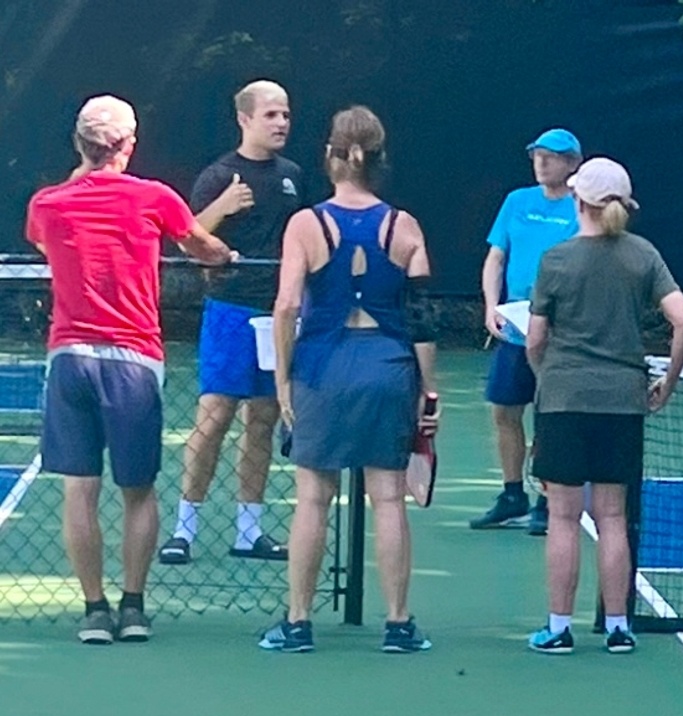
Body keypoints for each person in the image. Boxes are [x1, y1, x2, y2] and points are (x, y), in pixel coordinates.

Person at [24, 95, 232, 644]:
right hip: (134, 361)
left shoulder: (48, 204)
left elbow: (47, 236)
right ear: (130, 146)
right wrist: (226, 258)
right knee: (137, 489)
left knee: (79, 489)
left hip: (70, 358)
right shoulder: (155, 198)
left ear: (78, 145)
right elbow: (202, 248)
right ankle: (132, 608)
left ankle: (95, 611)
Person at [258, 106, 438, 654]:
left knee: (313, 497)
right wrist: (428, 395)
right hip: (388, 368)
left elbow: (287, 305)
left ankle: (297, 622)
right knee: (389, 498)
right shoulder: (404, 226)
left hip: (322, 368)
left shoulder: (305, 224)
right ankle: (399, 624)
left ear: (330, 156)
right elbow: (421, 318)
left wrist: (284, 379)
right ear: (380, 161)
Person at [525, 157, 683, 655]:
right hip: (623, 401)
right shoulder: (643, 255)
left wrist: (548, 379)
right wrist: (669, 381)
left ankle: (558, 628)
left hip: (564, 399)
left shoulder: (556, 260)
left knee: (562, 517)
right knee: (612, 516)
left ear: (579, 201)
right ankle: (619, 627)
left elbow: (535, 339)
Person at [159, 80, 303, 565]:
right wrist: (222, 207)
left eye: (285, 114)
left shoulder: (292, 176)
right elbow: (187, 238)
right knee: (215, 416)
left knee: (262, 419)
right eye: (270, 115)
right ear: (244, 119)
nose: (281, 123)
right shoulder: (219, 174)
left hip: (278, 314)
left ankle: (249, 531)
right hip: (229, 313)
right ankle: (183, 529)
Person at [471, 129, 583, 536]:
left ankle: (548, 499)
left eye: (551, 157)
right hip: (515, 327)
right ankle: (512, 493)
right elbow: (495, 257)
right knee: (504, 410)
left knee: (550, 416)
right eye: (537, 155)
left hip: (560, 332)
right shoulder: (516, 202)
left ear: (572, 164)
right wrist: (490, 307)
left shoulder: (581, 208)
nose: (541, 163)